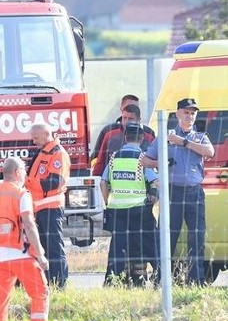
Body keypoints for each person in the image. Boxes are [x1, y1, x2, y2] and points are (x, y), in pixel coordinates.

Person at [142, 98, 215, 285]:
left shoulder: (200, 137)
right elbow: (146, 161)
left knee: (196, 237)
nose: (190, 116)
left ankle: (195, 281)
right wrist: (163, 164)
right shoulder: (166, 136)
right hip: (173, 192)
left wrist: (184, 142)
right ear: (177, 114)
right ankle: (161, 279)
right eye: (186, 112)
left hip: (194, 192)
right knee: (168, 236)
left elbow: (210, 152)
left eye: (193, 113)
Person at [0, 157, 50, 321]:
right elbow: (29, 224)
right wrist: (40, 254)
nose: (25, 174)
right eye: (24, 171)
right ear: (17, 172)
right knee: (40, 293)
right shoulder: (21, 193)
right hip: (21, 254)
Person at [100, 123, 159, 287]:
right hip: (140, 211)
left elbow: (103, 184)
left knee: (118, 249)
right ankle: (161, 277)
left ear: (125, 138)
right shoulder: (142, 159)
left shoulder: (113, 159)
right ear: (141, 139)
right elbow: (156, 181)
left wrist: (108, 201)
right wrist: (152, 198)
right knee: (151, 245)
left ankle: (112, 281)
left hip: (117, 212)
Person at [25, 123, 71, 287]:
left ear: (46, 134)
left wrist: (28, 181)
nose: (34, 141)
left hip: (51, 208)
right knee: (41, 248)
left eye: (36, 138)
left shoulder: (57, 153)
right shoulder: (41, 152)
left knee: (54, 248)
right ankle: (46, 282)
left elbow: (54, 182)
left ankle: (59, 283)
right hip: (38, 209)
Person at [91, 94, 155, 169]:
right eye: (125, 117)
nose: (131, 109)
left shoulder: (149, 134)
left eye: (135, 107)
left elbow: (156, 160)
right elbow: (98, 161)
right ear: (121, 109)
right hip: (113, 179)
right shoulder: (108, 133)